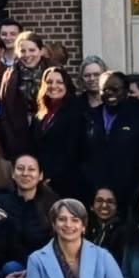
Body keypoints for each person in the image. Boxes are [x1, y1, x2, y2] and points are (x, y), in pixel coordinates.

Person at [82, 70, 139, 209]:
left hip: (132, 193)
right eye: (105, 90)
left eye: (115, 89)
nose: (110, 93)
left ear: (126, 91)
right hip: (97, 193)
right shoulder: (88, 117)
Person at [31, 67, 87, 202]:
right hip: (42, 181)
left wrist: (52, 176)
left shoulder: (75, 111)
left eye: (59, 82)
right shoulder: (41, 113)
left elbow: (72, 148)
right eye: (49, 82)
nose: (53, 86)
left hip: (67, 181)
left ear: (66, 85)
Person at [0, 154, 58, 254]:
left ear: (40, 175)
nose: (25, 173)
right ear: (13, 174)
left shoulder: (52, 205)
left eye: (31, 169)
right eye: (20, 168)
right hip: (10, 265)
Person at [0, 31, 47, 156]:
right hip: (19, 134)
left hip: (47, 132)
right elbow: (4, 107)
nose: (27, 55)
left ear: (40, 51)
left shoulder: (53, 70)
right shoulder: (9, 75)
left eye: (32, 50)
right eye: (23, 51)